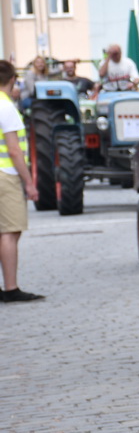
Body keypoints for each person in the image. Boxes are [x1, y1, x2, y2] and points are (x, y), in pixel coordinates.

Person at [0, 61, 43, 302]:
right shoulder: (6, 108)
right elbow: (15, 151)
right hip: (5, 175)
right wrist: (29, 182)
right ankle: (11, 287)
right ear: (13, 80)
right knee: (9, 231)